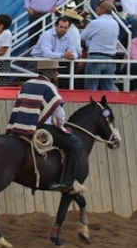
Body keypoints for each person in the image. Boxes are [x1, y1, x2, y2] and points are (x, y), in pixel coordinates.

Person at [5, 59, 85, 193]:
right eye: (56, 71)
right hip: (44, 128)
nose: (58, 73)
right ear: (50, 72)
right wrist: (61, 126)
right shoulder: (49, 87)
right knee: (76, 145)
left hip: (22, 127)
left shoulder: (27, 84)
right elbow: (59, 114)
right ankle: (68, 183)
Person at [81, 1, 119, 91]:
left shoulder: (96, 23)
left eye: (99, 6)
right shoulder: (115, 24)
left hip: (96, 57)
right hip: (110, 58)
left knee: (92, 88)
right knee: (107, 89)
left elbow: (83, 36)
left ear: (103, 9)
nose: (97, 8)